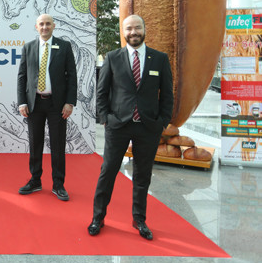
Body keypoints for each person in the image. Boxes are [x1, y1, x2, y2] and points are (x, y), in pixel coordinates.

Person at [89, 14, 173, 240]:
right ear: (123, 32)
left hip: (148, 127)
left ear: (144, 30)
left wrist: (162, 121)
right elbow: (101, 91)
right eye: (129, 29)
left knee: (142, 175)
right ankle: (98, 217)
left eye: (137, 28)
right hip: (118, 125)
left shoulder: (159, 59)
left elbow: (167, 93)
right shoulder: (112, 57)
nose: (133, 32)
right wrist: (105, 118)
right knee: (108, 171)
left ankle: (139, 219)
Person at [17, 13, 77, 200]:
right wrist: (22, 102)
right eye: (41, 24)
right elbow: (22, 76)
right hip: (34, 103)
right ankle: (35, 180)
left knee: (58, 144)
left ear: (54, 26)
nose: (45, 27)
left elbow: (72, 76)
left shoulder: (64, 46)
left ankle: (58, 184)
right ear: (36, 27)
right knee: (35, 143)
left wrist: (70, 102)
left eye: (48, 24)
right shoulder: (29, 47)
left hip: (57, 105)